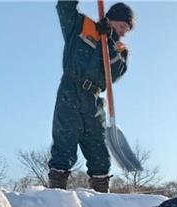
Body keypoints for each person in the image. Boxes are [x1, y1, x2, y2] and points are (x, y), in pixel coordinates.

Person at [48, 0, 134, 193]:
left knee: (99, 150)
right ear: (111, 19)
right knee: (64, 143)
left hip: (93, 100)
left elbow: (115, 73)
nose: (124, 32)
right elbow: (64, 6)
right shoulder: (82, 25)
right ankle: (55, 196)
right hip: (70, 89)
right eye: (122, 26)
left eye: (127, 29)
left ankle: (101, 197)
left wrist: (109, 41)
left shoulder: (121, 50)